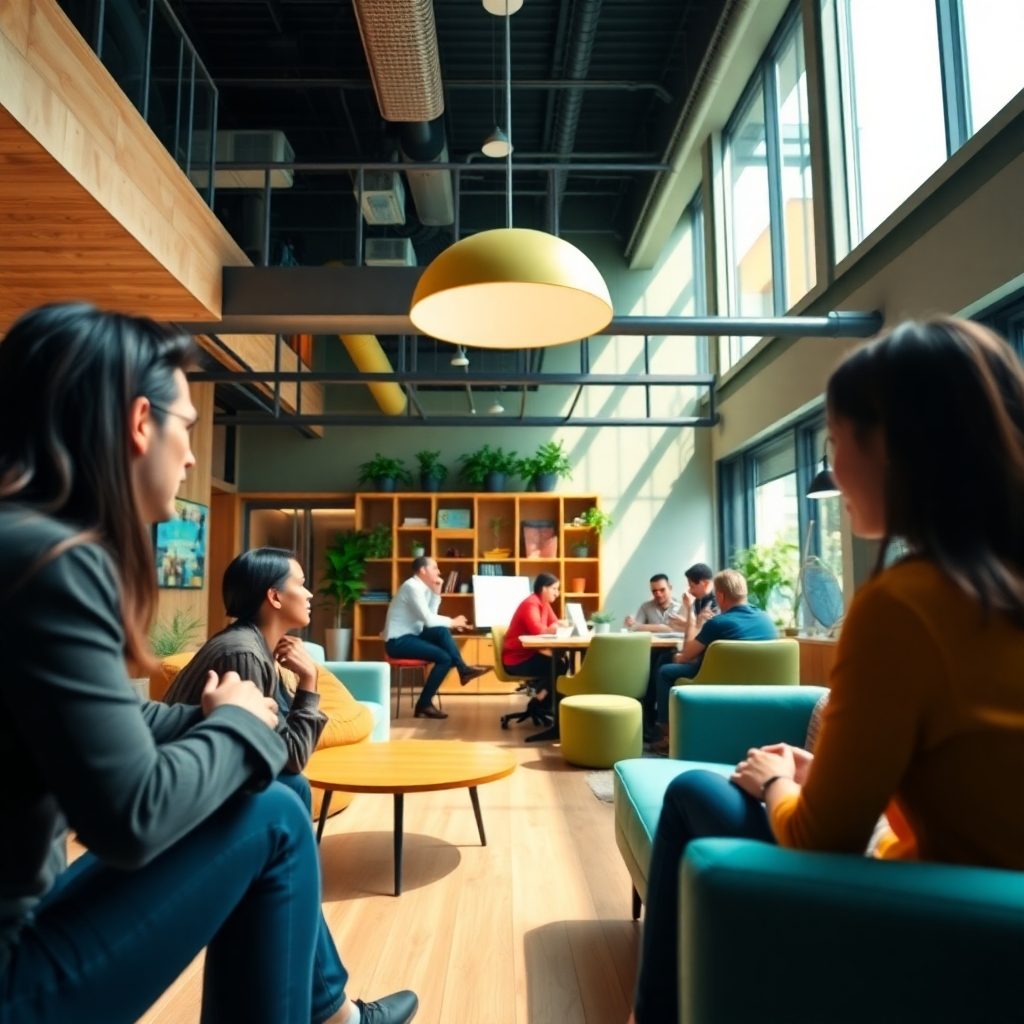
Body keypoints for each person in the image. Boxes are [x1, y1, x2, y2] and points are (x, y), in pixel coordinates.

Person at [0, 303, 417, 1024]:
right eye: (187, 427)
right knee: (279, 813)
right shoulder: (52, 564)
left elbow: (114, 718)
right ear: (139, 424)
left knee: (276, 803)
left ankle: (333, 1017)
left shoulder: (20, 545)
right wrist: (236, 726)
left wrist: (210, 716)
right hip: (15, 978)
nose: (192, 457)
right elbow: (130, 815)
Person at [629, 317, 1024, 1024]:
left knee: (695, 790)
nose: (833, 470)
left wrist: (779, 780)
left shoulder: (906, 606)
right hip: (996, 913)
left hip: (947, 932)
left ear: (901, 450)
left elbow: (821, 841)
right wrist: (830, 769)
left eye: (840, 443)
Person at [163, 547, 328, 781]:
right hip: (183, 781)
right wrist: (309, 679)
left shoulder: (255, 646)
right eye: (300, 584)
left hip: (210, 772)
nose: (309, 594)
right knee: (293, 783)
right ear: (274, 597)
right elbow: (293, 757)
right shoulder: (243, 655)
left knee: (295, 785)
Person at [653, 568, 775, 733]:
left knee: (665, 670)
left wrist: (690, 610)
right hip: (761, 684)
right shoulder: (766, 619)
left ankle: (667, 735)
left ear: (721, 596)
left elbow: (687, 654)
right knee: (669, 659)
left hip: (719, 680)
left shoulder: (718, 623)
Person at [383, 555, 489, 719]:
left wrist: (436, 593)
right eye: (435, 568)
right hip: (398, 641)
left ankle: (463, 669)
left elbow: (431, 619)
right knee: (444, 658)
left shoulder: (423, 589)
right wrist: (453, 622)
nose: (439, 572)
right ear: (422, 570)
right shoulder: (412, 587)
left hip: (413, 634)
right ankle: (424, 704)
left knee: (441, 631)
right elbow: (428, 619)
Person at [500, 573, 570, 706]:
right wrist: (555, 627)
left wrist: (561, 625)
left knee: (562, 662)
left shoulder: (544, 604)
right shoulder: (531, 604)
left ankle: (544, 701)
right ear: (544, 588)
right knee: (559, 666)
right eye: (554, 589)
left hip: (530, 654)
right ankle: (540, 700)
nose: (557, 593)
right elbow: (538, 631)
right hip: (517, 660)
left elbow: (554, 623)